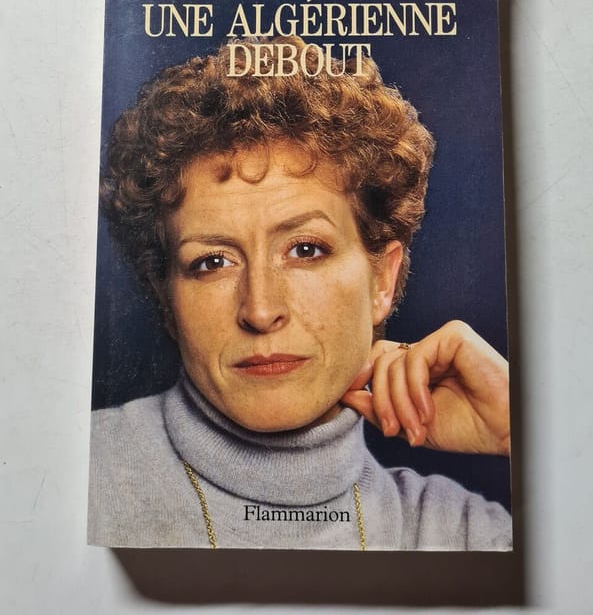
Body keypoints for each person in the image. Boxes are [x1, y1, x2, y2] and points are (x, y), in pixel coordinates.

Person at [88, 36, 511, 550]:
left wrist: (518, 428)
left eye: (305, 250)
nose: (260, 310)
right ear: (167, 299)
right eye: (213, 262)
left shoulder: (460, 533)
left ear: (382, 280)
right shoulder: (79, 475)